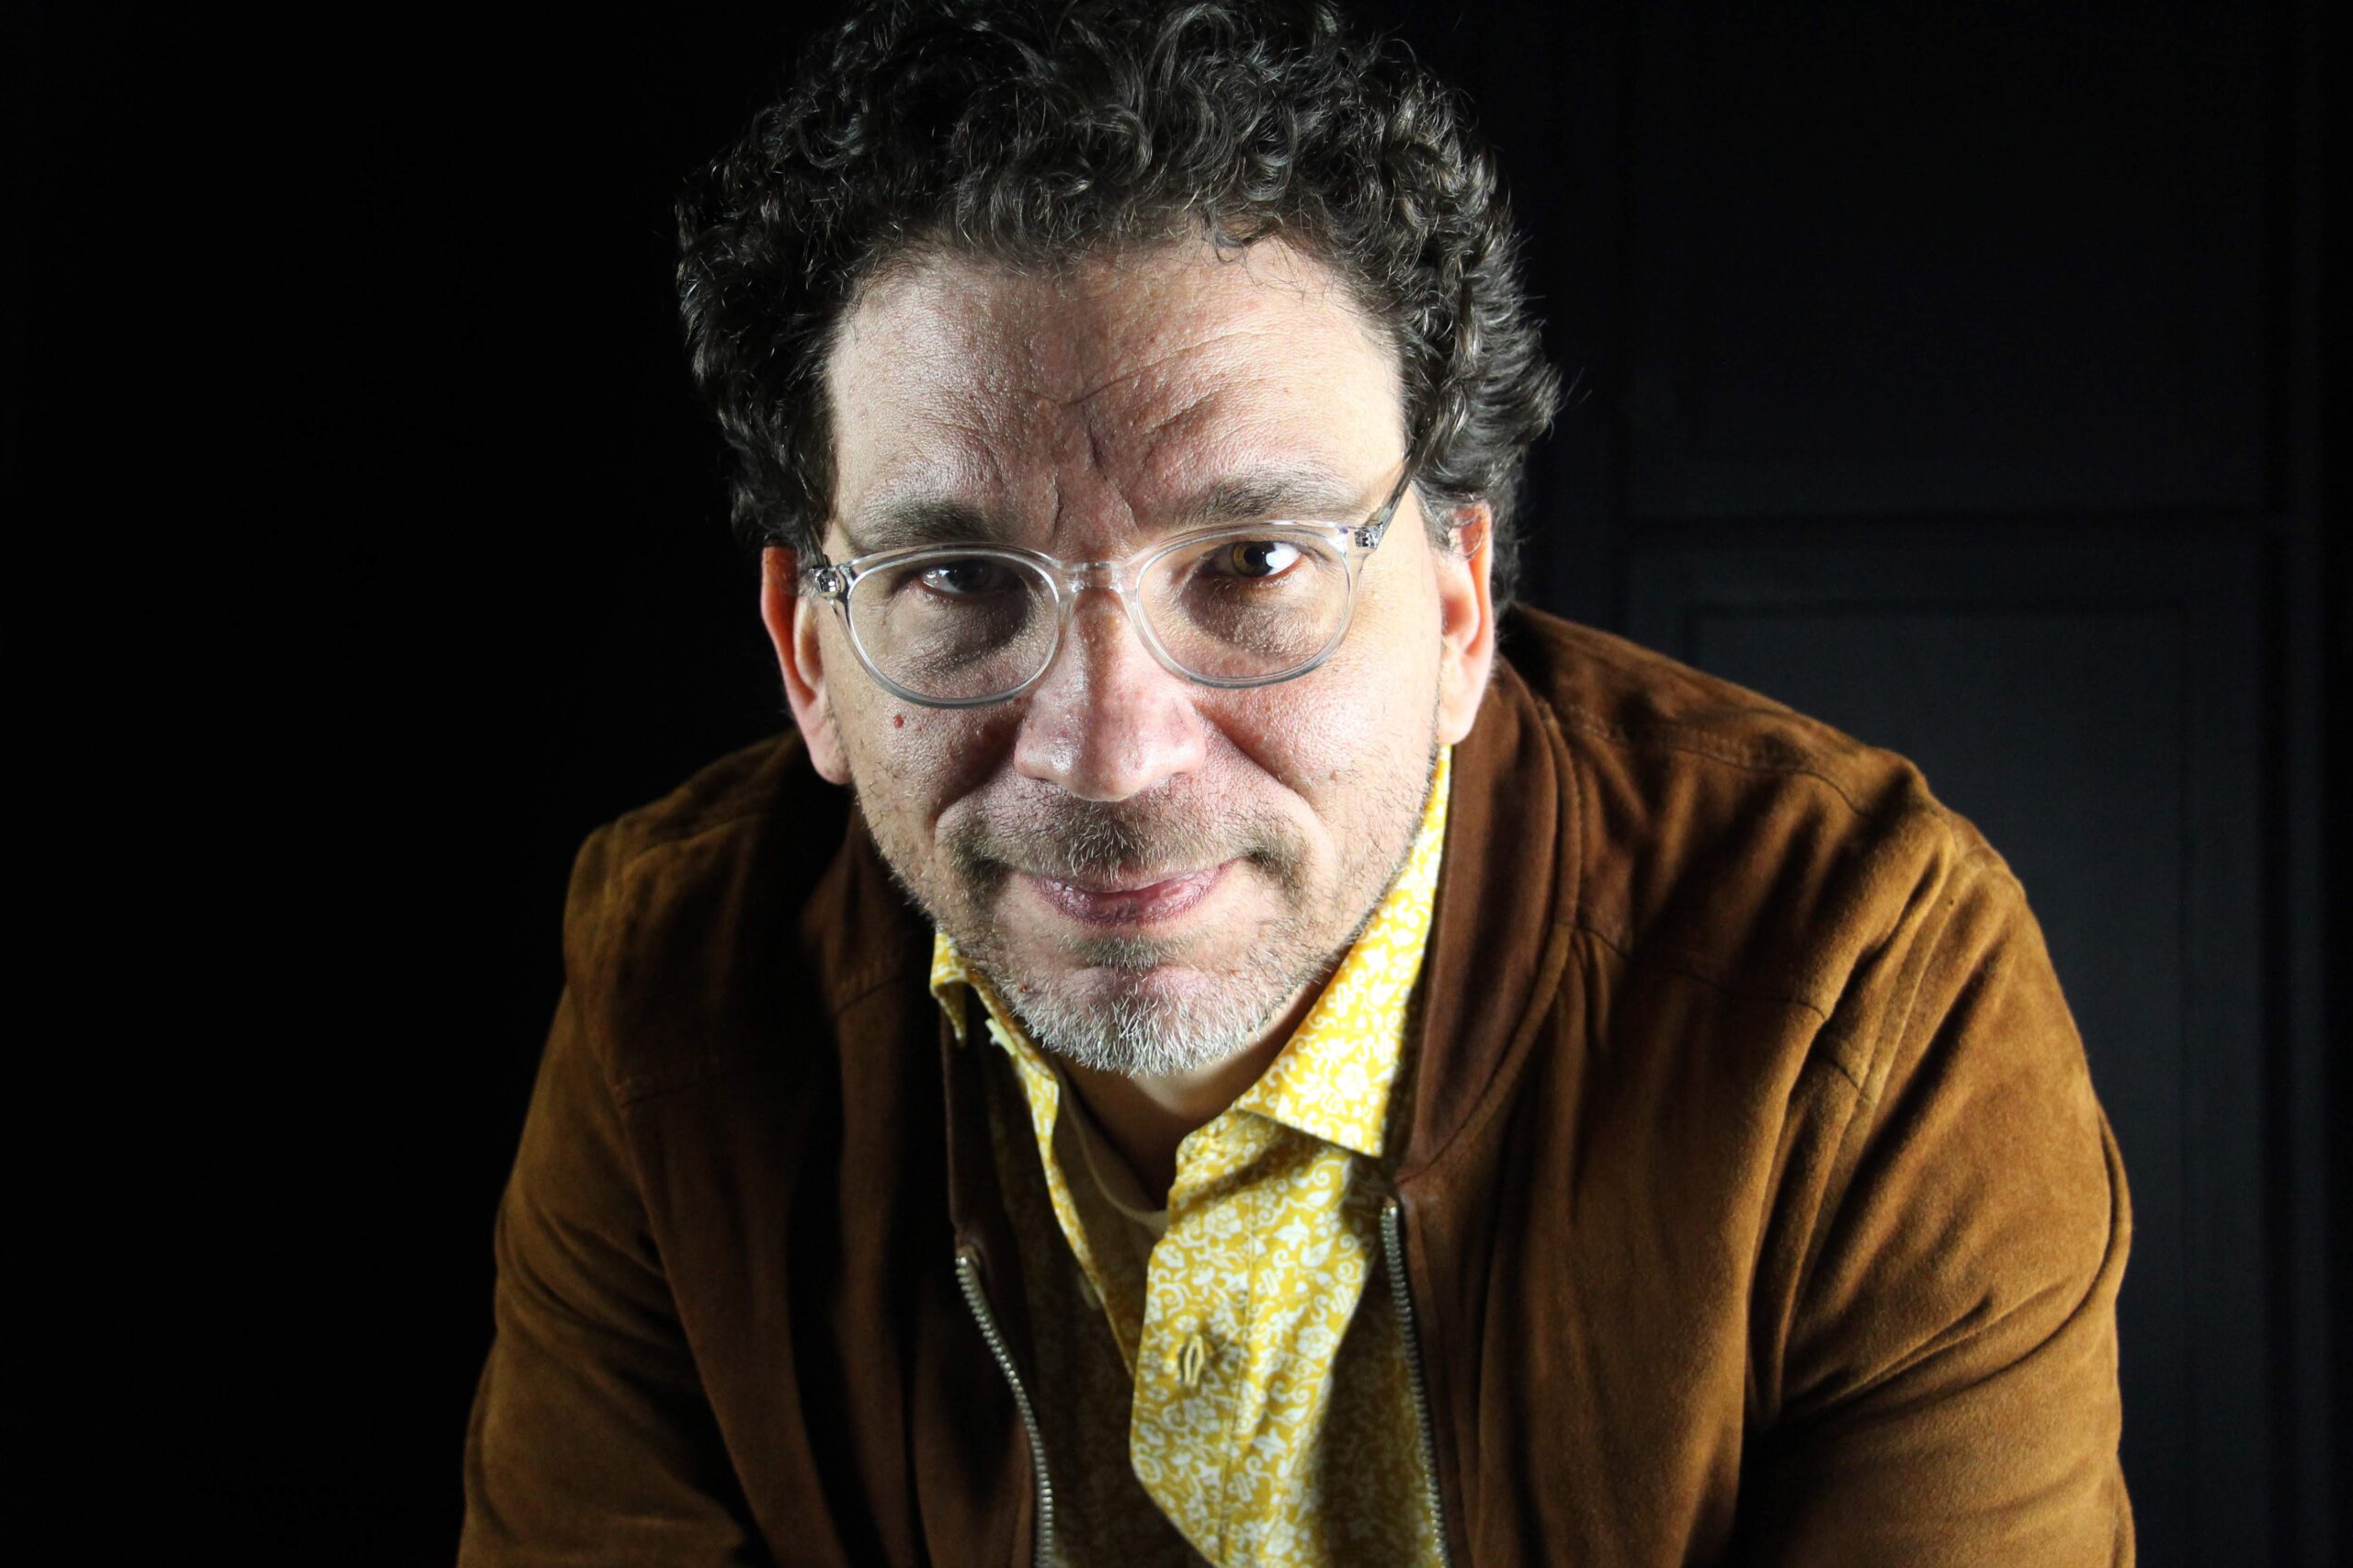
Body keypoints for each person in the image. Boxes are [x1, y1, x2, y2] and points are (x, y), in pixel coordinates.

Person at [459, 3, 2133, 1563]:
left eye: (1254, 559)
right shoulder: (668, 999)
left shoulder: (1867, 994)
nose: (1109, 750)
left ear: (1461, 603)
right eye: (958, 580)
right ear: (810, 656)